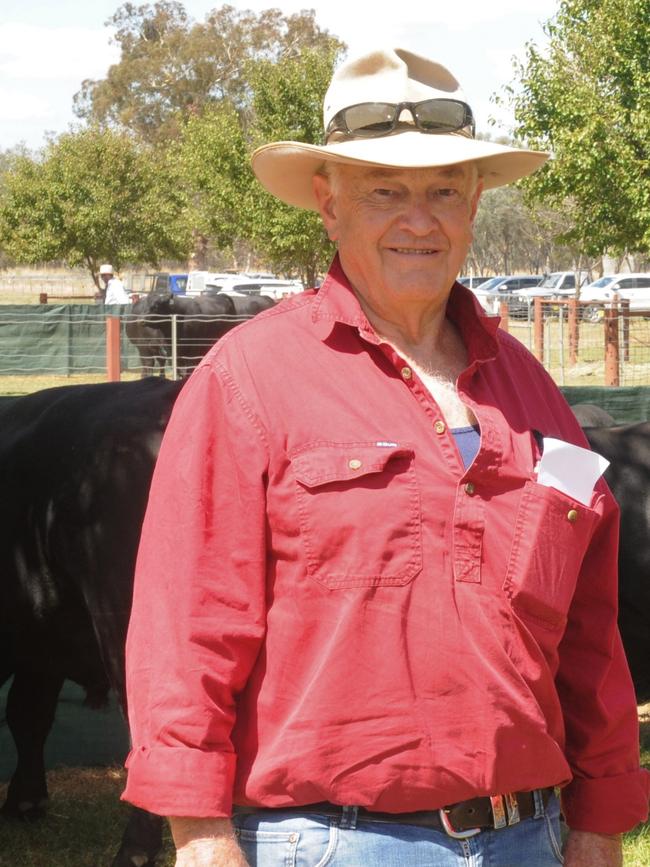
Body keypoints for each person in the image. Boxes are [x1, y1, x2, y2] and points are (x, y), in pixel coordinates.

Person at [122, 48, 649, 866]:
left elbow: (588, 630)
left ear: (475, 204)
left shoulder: (536, 398)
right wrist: (199, 834)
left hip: (533, 838)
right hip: (329, 841)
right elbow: (186, 628)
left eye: (444, 190)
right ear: (328, 207)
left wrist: (598, 818)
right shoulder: (249, 378)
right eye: (385, 191)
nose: (420, 218)